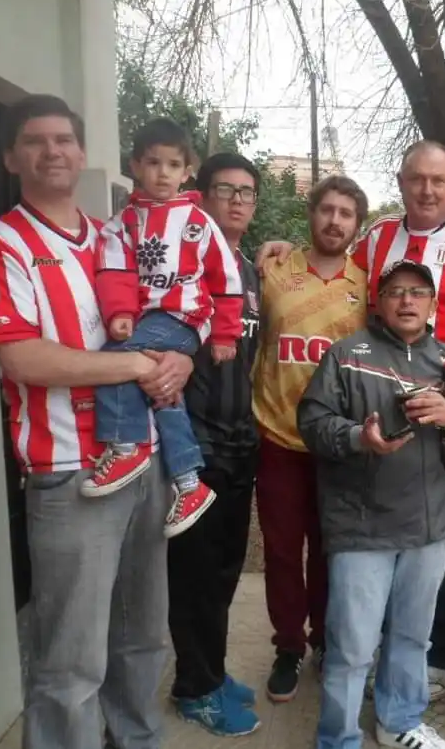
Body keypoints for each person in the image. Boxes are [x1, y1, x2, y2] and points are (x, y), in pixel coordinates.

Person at [0, 94, 192, 749]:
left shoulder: (116, 235)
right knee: (70, 662)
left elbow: (178, 304)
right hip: (69, 473)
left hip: (144, 460)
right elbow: (22, 356)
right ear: (12, 157)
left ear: (83, 152)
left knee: (142, 640)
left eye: (64, 139)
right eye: (35, 141)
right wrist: (134, 367)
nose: (52, 151)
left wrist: (180, 355)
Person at [258, 141, 445, 700]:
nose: (426, 190)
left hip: (444, 406)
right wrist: (282, 249)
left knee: (441, 536)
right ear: (401, 183)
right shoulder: (377, 237)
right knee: (364, 538)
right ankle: (347, 643)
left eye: (438, 181)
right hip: (369, 409)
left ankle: (438, 652)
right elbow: (327, 268)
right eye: (416, 179)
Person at [297, 259, 445, 749]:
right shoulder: (346, 356)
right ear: (379, 302)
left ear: (432, 304)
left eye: (417, 292)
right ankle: (338, 738)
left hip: (429, 527)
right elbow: (311, 423)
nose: (406, 300)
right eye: (395, 292)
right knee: (352, 648)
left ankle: (399, 724)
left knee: (414, 638)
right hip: (362, 526)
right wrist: (357, 438)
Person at [91, 117, 244, 537]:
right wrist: (119, 312)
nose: (163, 173)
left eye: (172, 164)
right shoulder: (124, 222)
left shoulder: (197, 221)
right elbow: (114, 271)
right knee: (162, 392)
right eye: (153, 162)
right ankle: (189, 483)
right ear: (135, 165)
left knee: (116, 360)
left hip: (183, 318)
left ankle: (125, 444)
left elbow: (225, 280)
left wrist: (226, 333)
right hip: (144, 319)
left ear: (187, 170)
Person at [251, 174, 369, 703]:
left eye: (346, 213)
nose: (334, 221)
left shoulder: (366, 288)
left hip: (336, 444)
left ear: (357, 225)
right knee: (280, 551)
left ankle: (324, 640)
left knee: (329, 551)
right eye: (327, 209)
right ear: (311, 214)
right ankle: (287, 647)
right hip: (277, 436)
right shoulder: (273, 270)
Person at [166, 152, 264, 736]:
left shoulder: (248, 271)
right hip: (194, 447)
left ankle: (213, 672)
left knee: (226, 571)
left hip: (240, 442)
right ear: (200, 195)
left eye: (247, 193)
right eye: (225, 190)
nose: (236, 201)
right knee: (195, 575)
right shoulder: (181, 264)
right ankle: (193, 688)